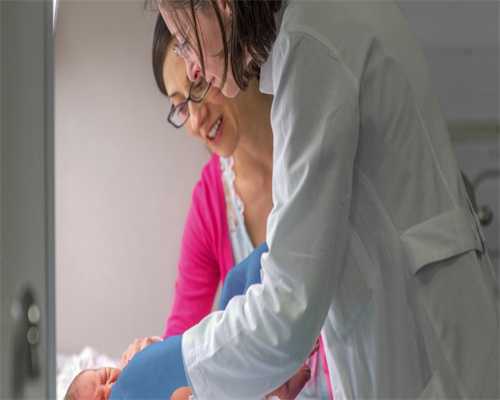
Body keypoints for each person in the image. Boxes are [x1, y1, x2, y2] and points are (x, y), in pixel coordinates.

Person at [153, 0, 500, 399]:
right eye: (179, 105)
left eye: (185, 40)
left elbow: (289, 312)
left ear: (222, 4)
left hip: (429, 353)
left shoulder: (310, 41)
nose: (193, 69)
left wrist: (162, 369)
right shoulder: (318, 28)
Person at [127, 14, 331, 398]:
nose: (196, 119)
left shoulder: (316, 138)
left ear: (230, 52)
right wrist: (155, 358)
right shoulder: (211, 201)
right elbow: (184, 340)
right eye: (180, 106)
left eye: (198, 85)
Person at [64, 247, 311, 400]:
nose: (109, 389)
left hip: (218, 372)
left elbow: (181, 353)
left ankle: (278, 382)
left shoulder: (136, 369)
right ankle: (279, 383)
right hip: (229, 380)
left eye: (105, 376)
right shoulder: (133, 388)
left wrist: (152, 347)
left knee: (240, 276)